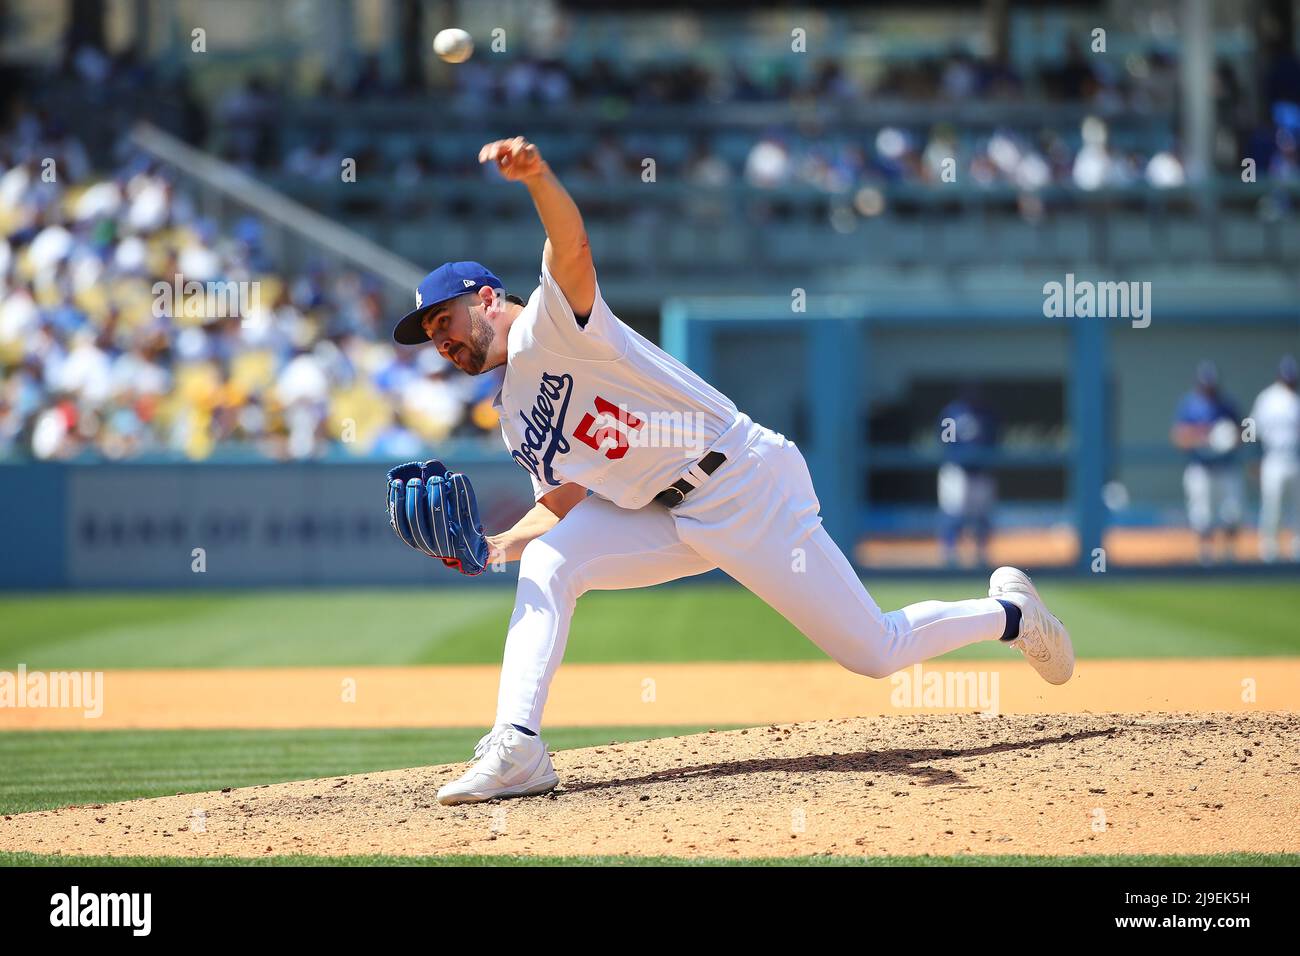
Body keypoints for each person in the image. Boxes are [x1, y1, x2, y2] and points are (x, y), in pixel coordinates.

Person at [390, 136, 1075, 805]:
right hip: (663, 514)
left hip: (745, 483)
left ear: (484, 298)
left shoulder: (552, 324)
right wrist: (497, 546)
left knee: (874, 650)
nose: (441, 340)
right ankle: (518, 746)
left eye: (443, 320)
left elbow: (570, 247)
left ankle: (1012, 615)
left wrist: (537, 176)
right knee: (547, 565)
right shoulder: (512, 414)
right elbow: (566, 495)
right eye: (431, 336)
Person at [1171, 361, 1244, 564]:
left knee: (1233, 513)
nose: (1209, 389)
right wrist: (1204, 437)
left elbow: (1246, 432)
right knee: (1202, 516)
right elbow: (1178, 437)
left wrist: (1230, 438)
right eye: (1206, 385)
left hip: (1226, 467)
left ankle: (1230, 555)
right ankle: (1206, 557)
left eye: (1212, 385)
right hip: (1201, 468)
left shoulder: (1228, 404)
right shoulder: (1189, 404)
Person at [936, 389, 1000, 567]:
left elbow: (994, 439)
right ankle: (949, 554)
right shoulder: (952, 412)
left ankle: (980, 554)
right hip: (956, 470)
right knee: (953, 514)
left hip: (981, 471)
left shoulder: (986, 413)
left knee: (981, 515)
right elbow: (944, 441)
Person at [1249, 356, 1300, 561]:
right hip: (1273, 458)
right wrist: (1253, 456)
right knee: (1272, 507)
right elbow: (1250, 426)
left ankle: (1296, 550)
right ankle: (1269, 552)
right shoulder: (1266, 399)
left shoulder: (1296, 401)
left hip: (1295, 459)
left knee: (1297, 509)